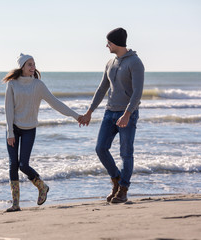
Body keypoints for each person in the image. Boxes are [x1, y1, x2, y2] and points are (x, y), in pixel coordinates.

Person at [3, 53, 82, 212]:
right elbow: (8, 109)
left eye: (34, 64)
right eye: (29, 64)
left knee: (23, 165)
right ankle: (15, 204)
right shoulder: (12, 84)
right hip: (13, 129)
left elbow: (56, 103)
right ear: (22, 67)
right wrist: (10, 131)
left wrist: (75, 115)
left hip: (29, 129)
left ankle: (42, 187)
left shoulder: (38, 85)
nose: (33, 67)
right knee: (13, 165)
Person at [79, 27, 145, 203]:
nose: (106, 45)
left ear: (115, 42)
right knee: (100, 148)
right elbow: (102, 89)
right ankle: (116, 179)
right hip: (110, 112)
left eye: (108, 42)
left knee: (126, 153)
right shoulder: (110, 63)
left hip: (127, 114)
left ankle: (123, 190)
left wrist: (127, 114)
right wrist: (89, 112)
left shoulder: (135, 62)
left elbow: (138, 92)